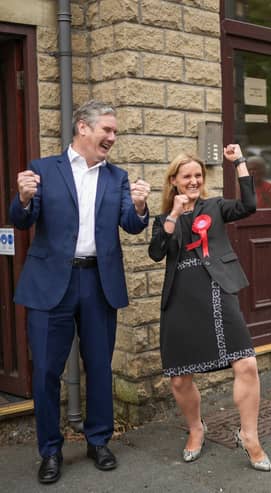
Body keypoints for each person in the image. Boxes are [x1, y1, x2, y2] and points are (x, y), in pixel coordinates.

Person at [9, 100, 150, 484]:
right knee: (46, 373)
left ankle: (98, 440)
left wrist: (139, 206)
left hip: (97, 282)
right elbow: (21, 220)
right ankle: (50, 451)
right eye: (107, 129)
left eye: (115, 131)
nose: (113, 137)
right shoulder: (43, 169)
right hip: (50, 283)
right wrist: (22, 198)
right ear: (83, 128)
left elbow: (132, 225)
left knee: (100, 367)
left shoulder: (117, 177)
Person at [148, 146, 271, 471]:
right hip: (180, 298)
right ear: (173, 180)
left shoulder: (215, 207)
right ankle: (195, 428)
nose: (193, 181)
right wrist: (174, 215)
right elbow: (157, 252)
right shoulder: (163, 219)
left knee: (246, 363)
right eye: (187, 176)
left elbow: (249, 205)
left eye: (198, 176)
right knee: (178, 378)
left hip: (218, 290)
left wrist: (240, 163)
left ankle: (250, 436)